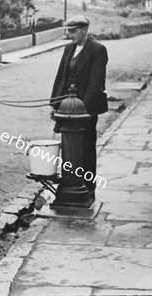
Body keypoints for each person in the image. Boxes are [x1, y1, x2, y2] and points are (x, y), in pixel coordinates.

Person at [50, 15, 108, 200]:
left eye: (73, 31)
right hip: (67, 107)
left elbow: (95, 83)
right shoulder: (69, 49)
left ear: (84, 30)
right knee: (69, 146)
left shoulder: (98, 50)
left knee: (86, 148)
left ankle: (88, 187)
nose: (70, 34)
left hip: (85, 110)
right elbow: (61, 77)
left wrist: (83, 109)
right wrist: (54, 104)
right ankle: (71, 183)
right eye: (68, 31)